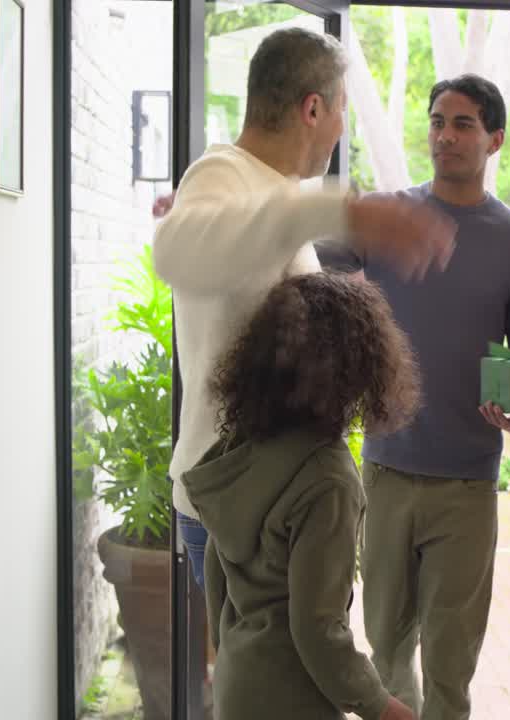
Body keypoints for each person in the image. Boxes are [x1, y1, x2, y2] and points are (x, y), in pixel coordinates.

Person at [152, 27, 456, 587]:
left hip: (266, 501)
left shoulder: (264, 190)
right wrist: (343, 212)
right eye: (342, 110)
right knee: (267, 654)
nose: (342, 128)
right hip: (235, 504)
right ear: (313, 109)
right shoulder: (221, 174)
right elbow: (173, 251)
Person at [318, 74, 510, 720]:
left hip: (468, 484)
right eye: (437, 121)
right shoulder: (387, 217)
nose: (445, 136)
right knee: (387, 654)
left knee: (451, 666)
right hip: (386, 470)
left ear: (495, 139)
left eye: (463, 124)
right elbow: (304, 265)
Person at [181, 273, 420, 720]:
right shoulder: (327, 478)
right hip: (293, 697)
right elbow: (317, 627)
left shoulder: (243, 445)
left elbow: (215, 566)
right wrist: (381, 706)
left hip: (237, 683)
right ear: (359, 368)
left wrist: (234, 647)